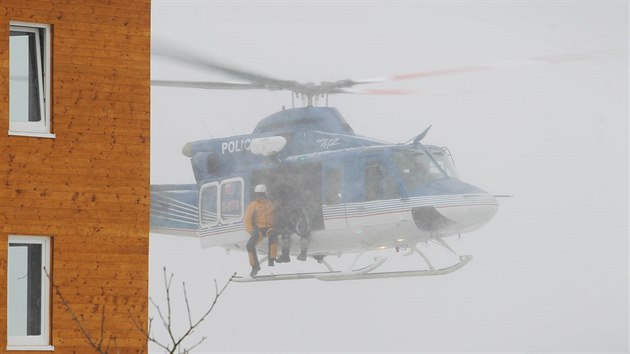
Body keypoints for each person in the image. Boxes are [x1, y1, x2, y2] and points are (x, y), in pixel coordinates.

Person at [244, 184, 277, 277]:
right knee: (249, 245)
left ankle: (272, 259)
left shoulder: (271, 203)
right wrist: (252, 231)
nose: (260, 196)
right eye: (259, 194)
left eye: (262, 194)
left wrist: (277, 226)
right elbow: (247, 220)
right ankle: (255, 267)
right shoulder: (253, 205)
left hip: (269, 228)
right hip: (258, 230)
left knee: (273, 235)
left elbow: (277, 215)